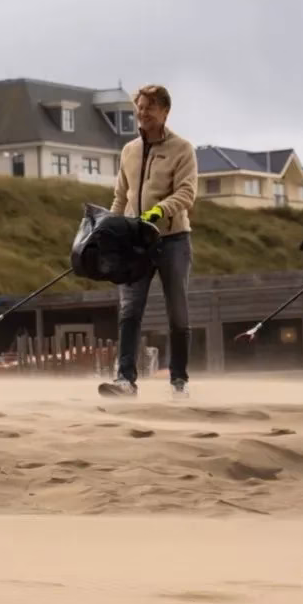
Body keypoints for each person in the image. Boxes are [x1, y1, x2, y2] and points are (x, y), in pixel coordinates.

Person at [101, 83, 198, 399]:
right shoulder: (129, 151)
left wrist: (159, 210)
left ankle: (179, 382)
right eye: (140, 108)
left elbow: (186, 193)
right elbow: (120, 196)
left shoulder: (183, 149)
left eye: (150, 108)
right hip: (134, 241)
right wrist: (110, 230)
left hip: (172, 240)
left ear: (165, 111)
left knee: (178, 313)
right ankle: (125, 380)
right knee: (129, 311)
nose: (142, 114)